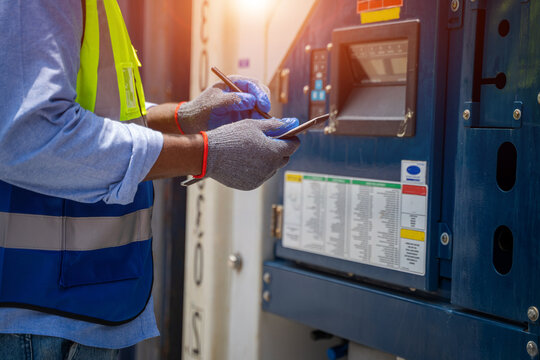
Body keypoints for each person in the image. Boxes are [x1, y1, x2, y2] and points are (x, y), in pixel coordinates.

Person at [0, 0, 300, 359]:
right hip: (37, 312)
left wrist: (185, 117)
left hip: (71, 301)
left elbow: (102, 117)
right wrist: (204, 154)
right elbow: (33, 136)